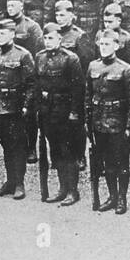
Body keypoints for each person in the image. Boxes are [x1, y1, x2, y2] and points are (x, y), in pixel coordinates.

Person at [86, 27, 130, 213]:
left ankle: (122, 199)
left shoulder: (125, 69)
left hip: (118, 123)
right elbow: (88, 95)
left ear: (116, 46)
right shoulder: (93, 66)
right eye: (101, 44)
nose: (103, 47)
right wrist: (89, 123)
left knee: (121, 163)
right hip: (99, 123)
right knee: (107, 163)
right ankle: (112, 196)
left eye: (107, 44)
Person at [34, 22, 85, 205]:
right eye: (45, 38)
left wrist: (74, 113)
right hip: (47, 111)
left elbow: (78, 89)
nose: (48, 42)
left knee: (68, 151)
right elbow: (37, 85)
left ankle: (73, 191)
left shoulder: (71, 59)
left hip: (65, 111)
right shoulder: (39, 57)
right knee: (55, 151)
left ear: (60, 39)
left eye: (51, 38)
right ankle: (62, 188)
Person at [0, 17, 36, 198]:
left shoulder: (23, 55)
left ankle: (19, 184)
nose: (0, 36)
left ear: (12, 34)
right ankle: (10, 181)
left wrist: (26, 107)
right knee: (5, 145)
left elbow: (31, 84)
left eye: (4, 33)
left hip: (16, 108)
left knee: (18, 146)